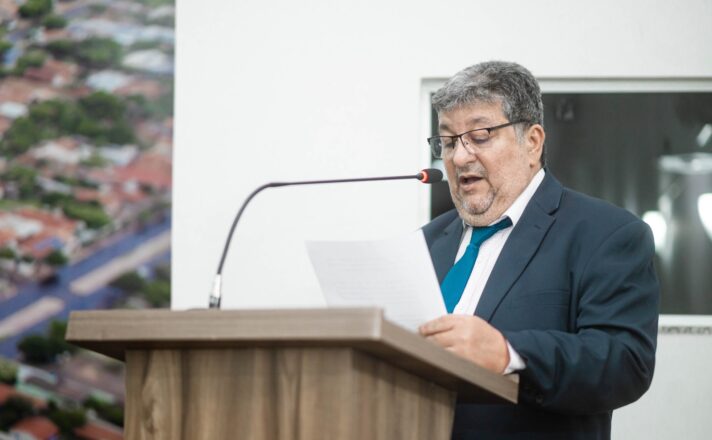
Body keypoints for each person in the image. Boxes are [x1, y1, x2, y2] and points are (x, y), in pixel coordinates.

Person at [418, 61, 659, 440]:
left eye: (479, 136)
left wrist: (507, 352)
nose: (459, 158)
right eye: (448, 142)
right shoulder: (426, 242)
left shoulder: (606, 234)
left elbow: (624, 363)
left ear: (532, 142)